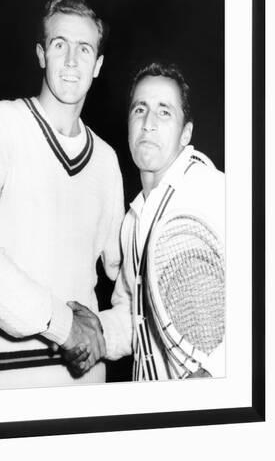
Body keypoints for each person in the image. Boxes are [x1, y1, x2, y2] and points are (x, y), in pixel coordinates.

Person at [0, 0, 124, 389]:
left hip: (86, 383)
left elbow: (129, 280)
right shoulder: (0, 124)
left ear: (98, 65)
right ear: (41, 54)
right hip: (6, 381)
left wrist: (105, 335)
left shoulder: (107, 160)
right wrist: (64, 325)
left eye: (84, 49)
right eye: (59, 44)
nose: (71, 61)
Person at [67, 62, 225, 381]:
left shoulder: (215, 190)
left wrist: (215, 371)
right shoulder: (133, 220)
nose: (148, 123)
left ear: (187, 133)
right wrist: (97, 333)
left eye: (164, 111)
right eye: (140, 109)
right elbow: (136, 315)